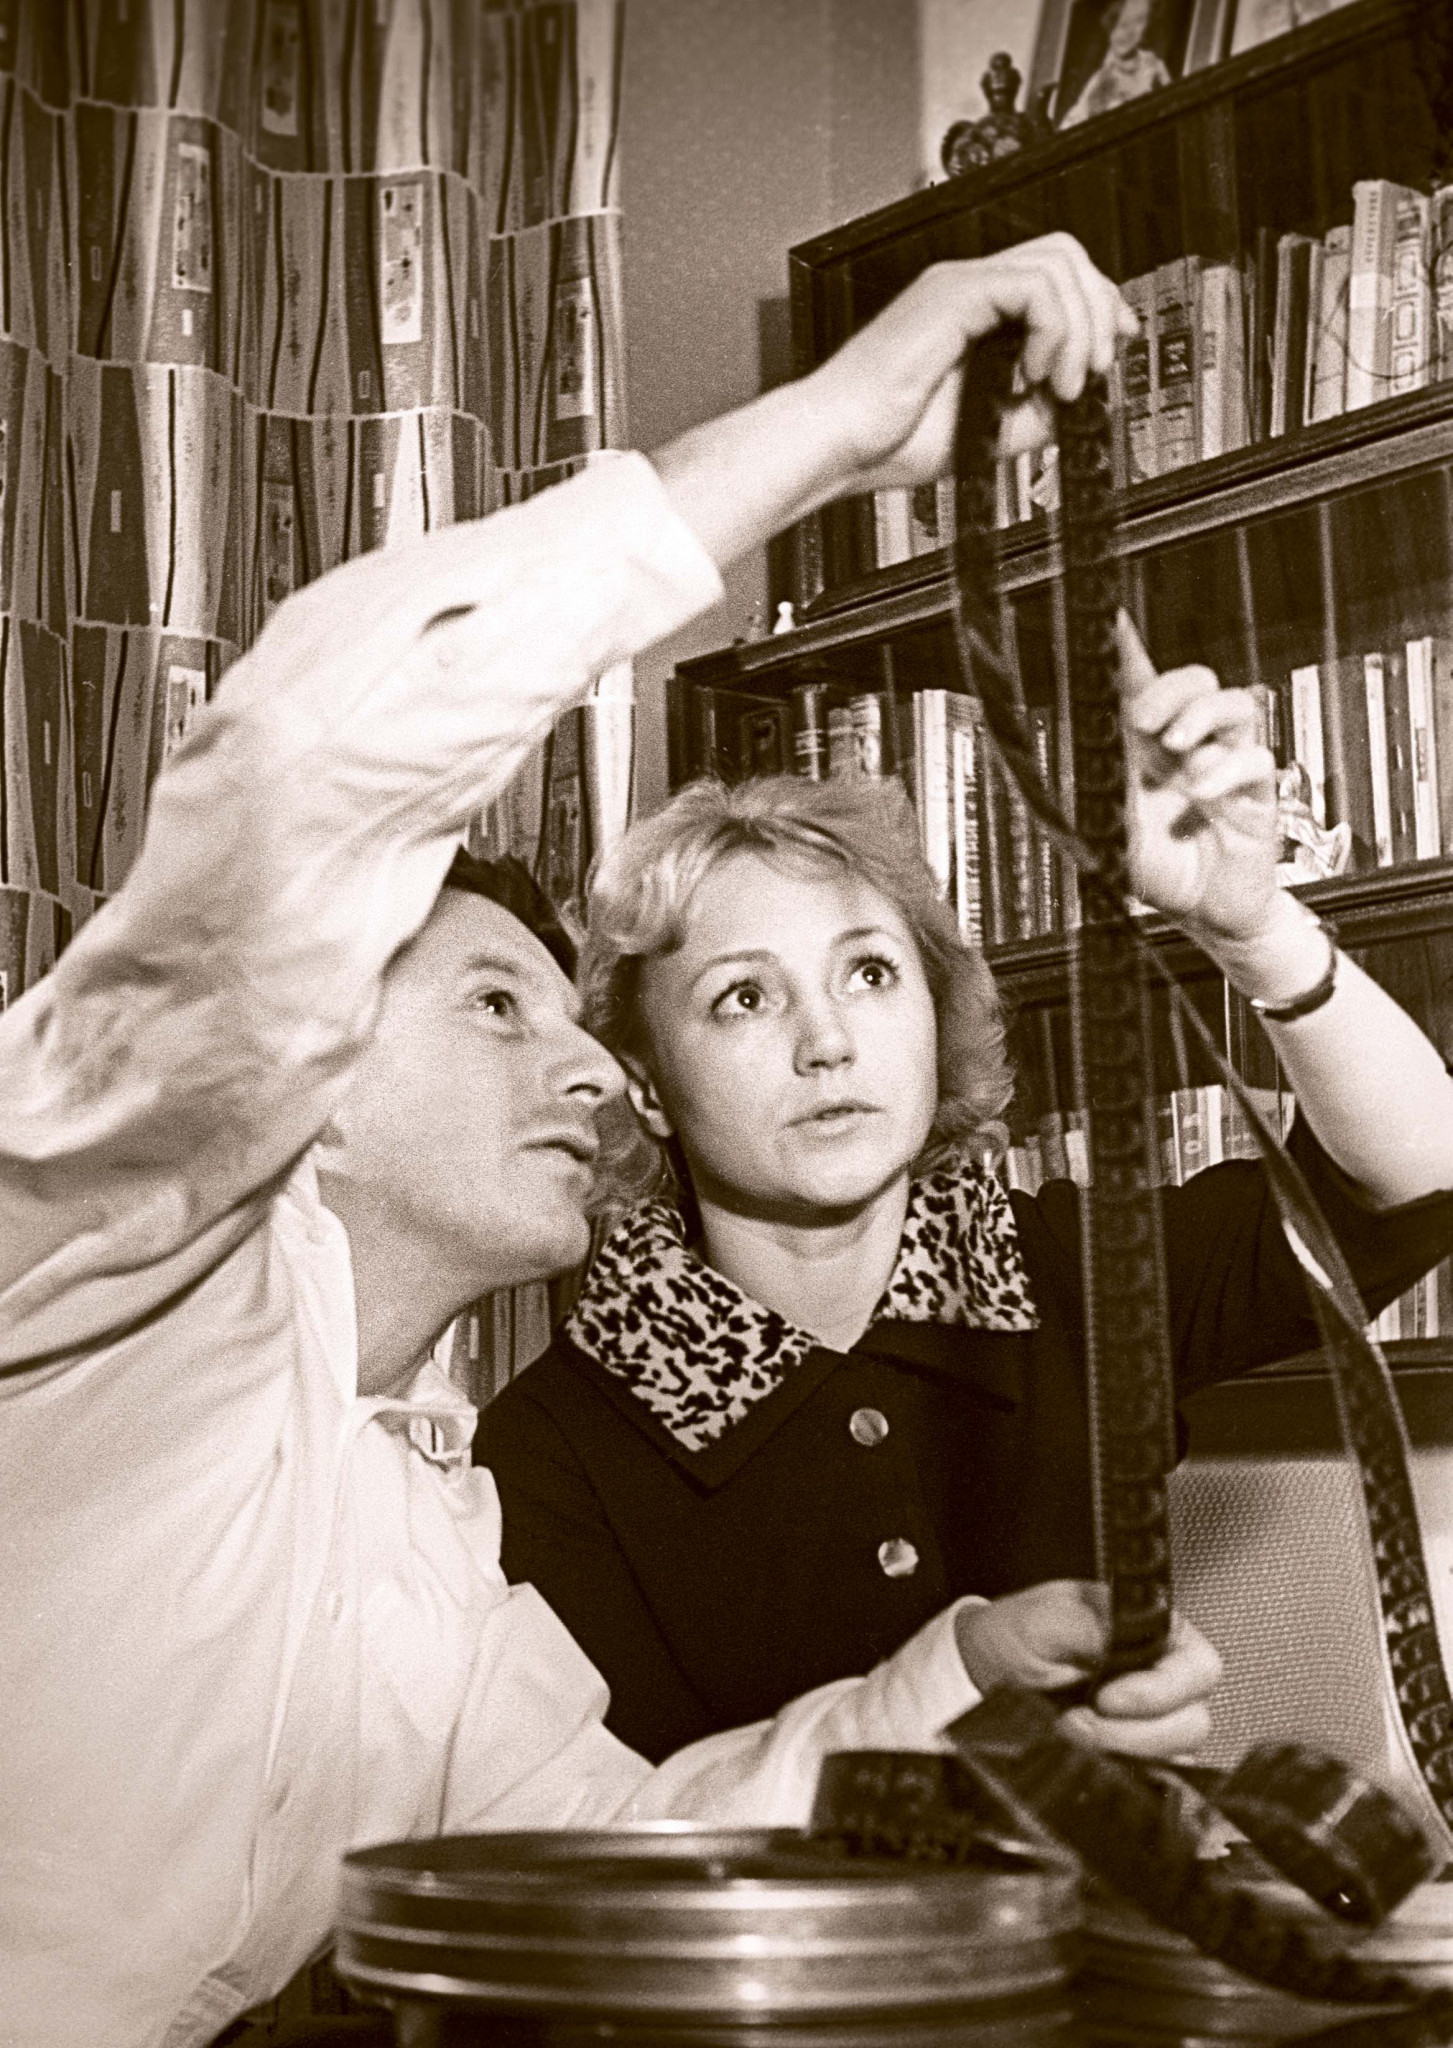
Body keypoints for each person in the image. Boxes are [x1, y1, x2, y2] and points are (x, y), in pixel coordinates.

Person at [0, 239, 1223, 2048]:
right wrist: (828, 431)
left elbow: (626, 1844)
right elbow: (303, 778)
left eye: (577, 1021)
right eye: (499, 1005)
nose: (590, 1066)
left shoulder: (439, 1531)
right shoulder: (81, 1275)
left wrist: (956, 1672)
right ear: (309, 1061)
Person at [475, 695, 1453, 1764]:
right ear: (648, 1086)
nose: (827, 1040)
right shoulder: (546, 1451)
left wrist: (1253, 929)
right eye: (744, 996)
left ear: (934, 1020)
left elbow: (1414, 1179)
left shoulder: (1072, 1274)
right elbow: (627, 1822)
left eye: (869, 973)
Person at [1060, 0, 1173, 129]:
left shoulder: (1155, 69)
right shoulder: (1099, 80)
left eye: (1139, 21)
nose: (1128, 33)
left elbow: (1171, 112)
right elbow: (1071, 126)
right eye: (1122, 24)